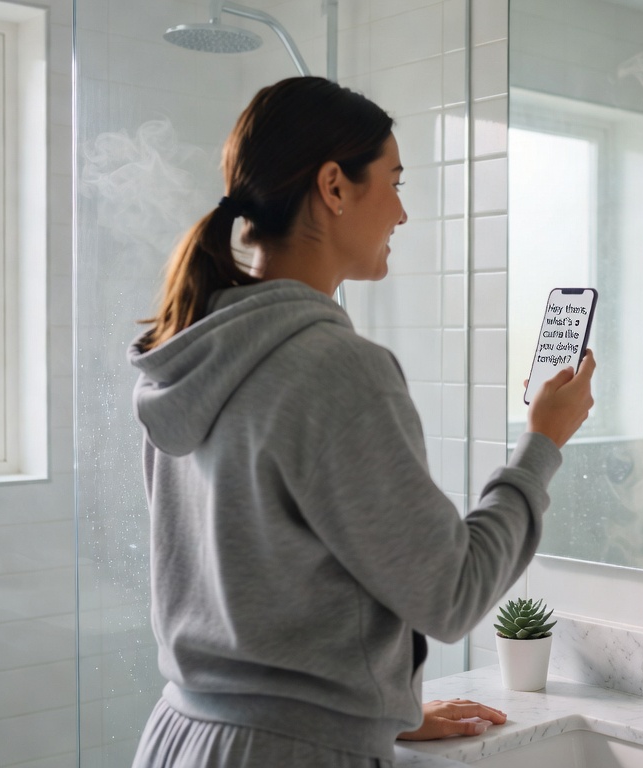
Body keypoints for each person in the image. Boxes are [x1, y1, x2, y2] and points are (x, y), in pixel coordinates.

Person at [127, 77, 595, 767]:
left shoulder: (191, 349)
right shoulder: (337, 368)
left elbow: (265, 582)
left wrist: (384, 713)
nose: (402, 214)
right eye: (395, 182)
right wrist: (543, 444)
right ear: (334, 187)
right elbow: (452, 593)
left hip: (185, 738)